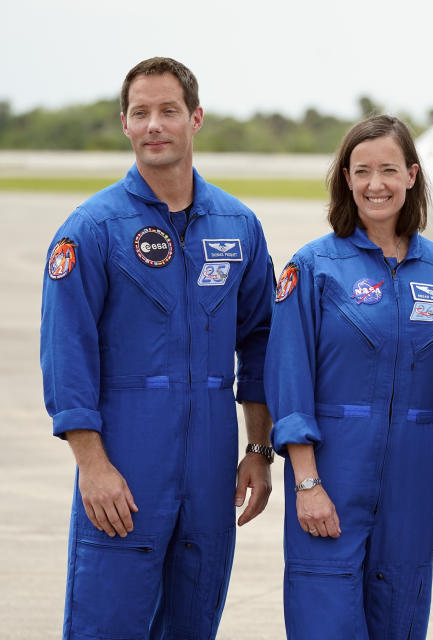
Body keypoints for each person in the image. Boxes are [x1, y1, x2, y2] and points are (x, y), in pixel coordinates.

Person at [40, 57, 276, 638]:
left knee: (193, 624)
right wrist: (92, 467)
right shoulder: (91, 229)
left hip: (211, 468)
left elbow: (263, 342)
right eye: (141, 113)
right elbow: (66, 354)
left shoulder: (237, 225)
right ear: (124, 123)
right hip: (126, 462)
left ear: (195, 118)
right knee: (108, 623)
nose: (154, 125)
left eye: (168, 111)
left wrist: (260, 449)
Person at [264, 115, 433, 639]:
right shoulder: (314, 266)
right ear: (346, 177)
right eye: (362, 171)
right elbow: (289, 381)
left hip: (415, 478)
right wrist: (308, 482)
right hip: (334, 474)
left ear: (412, 176)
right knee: (326, 619)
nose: (375, 184)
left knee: (401, 620)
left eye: (389, 170)